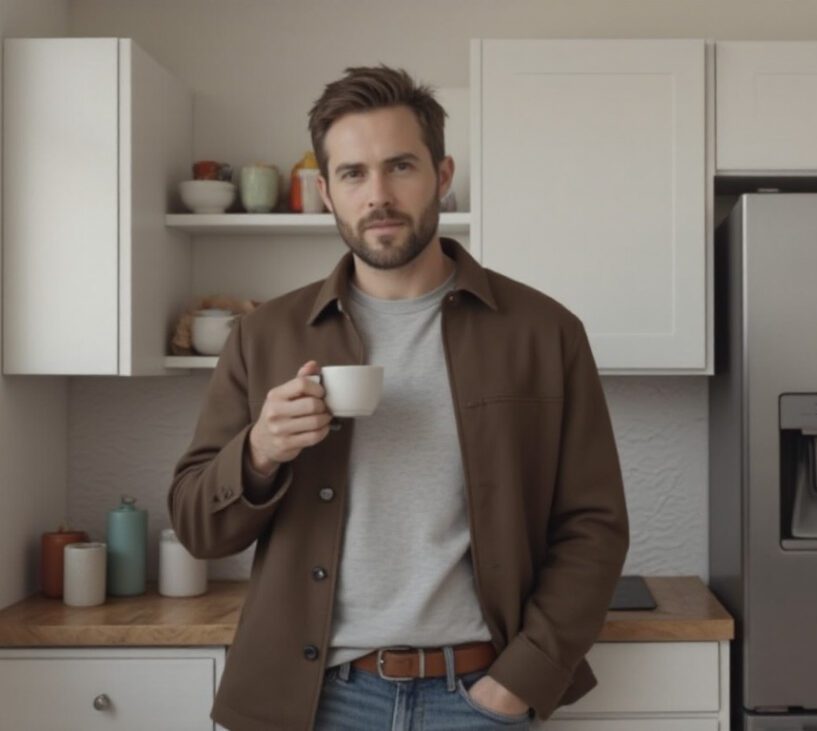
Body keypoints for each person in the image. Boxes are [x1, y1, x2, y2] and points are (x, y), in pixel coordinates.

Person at [168, 65, 629, 731]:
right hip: (308, 699)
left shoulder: (544, 332)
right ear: (326, 192)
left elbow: (595, 525)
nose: (377, 194)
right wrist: (261, 450)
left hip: (477, 695)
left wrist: (519, 681)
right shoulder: (265, 335)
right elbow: (196, 524)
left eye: (400, 167)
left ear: (441, 176)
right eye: (353, 173)